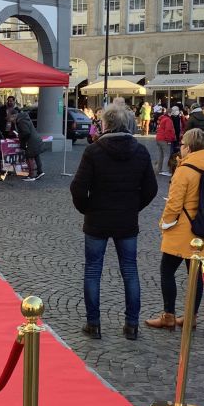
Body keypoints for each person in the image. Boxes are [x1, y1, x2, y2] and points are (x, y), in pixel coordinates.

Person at [70, 104, 157, 340]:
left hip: (97, 219)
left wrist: (87, 209)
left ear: (105, 124)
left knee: (93, 271)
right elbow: (151, 189)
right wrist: (133, 207)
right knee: (130, 271)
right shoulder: (140, 151)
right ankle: (131, 325)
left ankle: (94, 324)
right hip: (126, 220)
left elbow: (78, 188)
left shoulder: (94, 151)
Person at [144, 128, 204, 331]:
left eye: (183, 144)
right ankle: (191, 316)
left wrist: (164, 224)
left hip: (183, 230)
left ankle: (169, 315)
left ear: (189, 147)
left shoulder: (185, 170)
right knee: (195, 274)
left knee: (167, 270)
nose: (180, 148)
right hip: (203, 229)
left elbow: (174, 204)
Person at [10, 108, 45, 181]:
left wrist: (20, 137)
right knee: (36, 155)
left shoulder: (21, 121)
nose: (10, 120)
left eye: (10, 118)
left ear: (14, 116)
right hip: (34, 140)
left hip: (30, 141)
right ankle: (40, 172)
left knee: (29, 157)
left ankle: (31, 175)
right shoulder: (24, 118)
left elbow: (26, 132)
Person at [155, 107, 175, 176]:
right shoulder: (168, 120)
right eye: (172, 113)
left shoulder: (162, 118)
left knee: (161, 154)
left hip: (159, 138)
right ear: (170, 113)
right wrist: (169, 140)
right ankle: (165, 170)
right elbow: (168, 131)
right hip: (164, 139)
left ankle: (159, 169)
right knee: (166, 154)